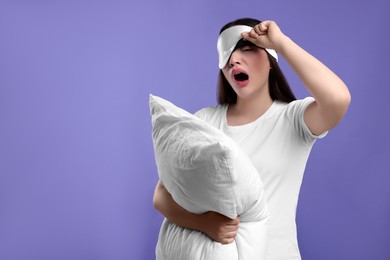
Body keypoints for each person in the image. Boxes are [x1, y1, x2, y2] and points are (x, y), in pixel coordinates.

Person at [153, 17, 351, 259]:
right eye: (227, 55)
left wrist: (281, 43)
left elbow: (338, 99)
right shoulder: (204, 121)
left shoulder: (293, 119)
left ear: (270, 61)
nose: (235, 59)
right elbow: (162, 194)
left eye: (247, 49)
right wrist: (204, 223)